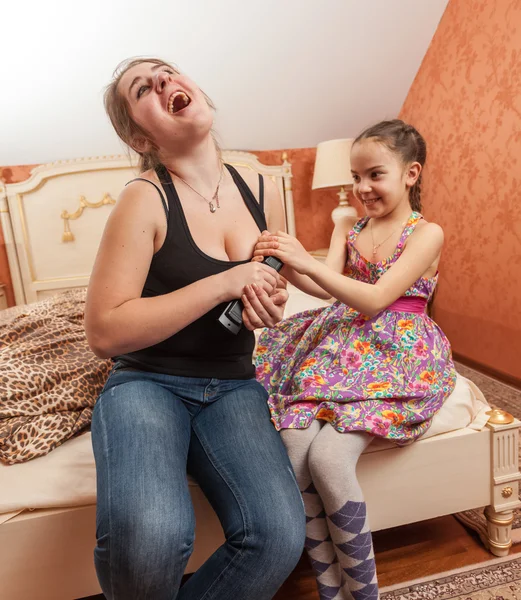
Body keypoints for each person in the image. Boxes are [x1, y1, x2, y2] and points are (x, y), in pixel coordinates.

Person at [84, 57, 306, 600]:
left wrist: (264, 296)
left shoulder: (263, 187)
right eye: (144, 87)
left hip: (234, 385)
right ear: (140, 134)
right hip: (148, 384)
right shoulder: (145, 197)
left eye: (167, 72)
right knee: (153, 536)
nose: (163, 82)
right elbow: (105, 331)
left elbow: (273, 277)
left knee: (278, 536)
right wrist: (226, 283)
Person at [253, 119, 457, 600]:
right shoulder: (350, 224)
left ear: (411, 174)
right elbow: (325, 288)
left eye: (375, 175)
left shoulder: (427, 232)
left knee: (329, 457)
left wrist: (305, 260)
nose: (362, 188)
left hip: (397, 352)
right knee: (296, 445)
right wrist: (289, 258)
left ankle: (363, 593)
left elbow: (376, 299)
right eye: (356, 176)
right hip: (341, 342)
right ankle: (331, 590)